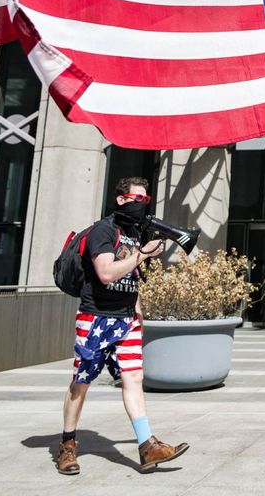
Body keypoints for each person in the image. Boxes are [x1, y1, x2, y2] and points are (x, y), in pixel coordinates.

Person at [57, 176, 189, 475]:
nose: (142, 205)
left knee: (134, 379)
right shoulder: (103, 231)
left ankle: (147, 446)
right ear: (121, 199)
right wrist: (142, 254)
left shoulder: (132, 234)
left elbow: (131, 278)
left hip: (126, 319)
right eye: (137, 199)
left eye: (146, 201)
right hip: (96, 318)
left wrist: (138, 311)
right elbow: (106, 273)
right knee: (81, 383)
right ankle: (67, 445)